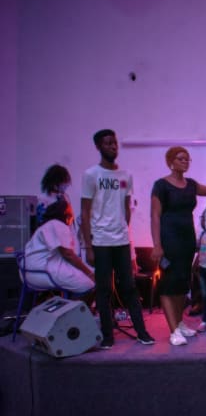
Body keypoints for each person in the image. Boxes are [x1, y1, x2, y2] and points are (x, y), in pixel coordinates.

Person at [80, 129, 155, 349]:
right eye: (107, 143)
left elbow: (126, 208)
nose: (113, 146)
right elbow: (85, 212)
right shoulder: (91, 175)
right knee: (104, 290)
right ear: (98, 147)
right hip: (100, 241)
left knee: (129, 287)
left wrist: (125, 235)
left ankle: (142, 332)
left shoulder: (125, 176)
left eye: (114, 143)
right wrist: (88, 246)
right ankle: (107, 336)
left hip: (121, 240)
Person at [150, 146, 206, 346]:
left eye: (187, 159)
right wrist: (157, 245)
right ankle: (173, 330)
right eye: (180, 158)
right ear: (170, 162)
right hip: (169, 239)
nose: (185, 162)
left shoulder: (191, 185)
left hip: (187, 240)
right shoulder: (161, 185)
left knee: (183, 283)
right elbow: (155, 216)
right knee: (169, 284)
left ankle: (180, 323)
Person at [23, 199, 94, 294]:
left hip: (30, 271)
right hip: (41, 272)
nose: (72, 214)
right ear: (64, 212)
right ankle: (71, 304)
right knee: (89, 285)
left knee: (87, 275)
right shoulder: (56, 224)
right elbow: (68, 255)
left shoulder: (47, 225)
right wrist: (89, 274)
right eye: (70, 211)